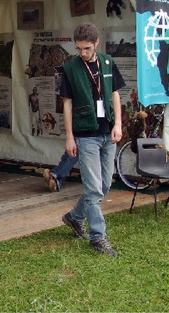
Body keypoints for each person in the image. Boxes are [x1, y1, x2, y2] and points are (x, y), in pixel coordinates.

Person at [59, 22, 125, 256]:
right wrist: (69, 137)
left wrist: (118, 123)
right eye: (78, 49)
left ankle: (74, 217)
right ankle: (99, 236)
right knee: (94, 188)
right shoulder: (70, 68)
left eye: (86, 48)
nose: (82, 53)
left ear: (96, 43)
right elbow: (67, 104)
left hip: (108, 132)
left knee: (104, 185)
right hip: (85, 135)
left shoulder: (107, 62)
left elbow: (116, 94)